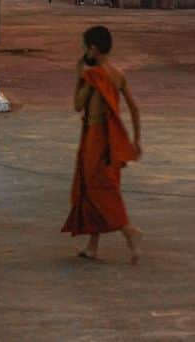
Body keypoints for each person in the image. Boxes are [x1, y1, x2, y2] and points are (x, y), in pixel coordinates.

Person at [61, 24, 142, 263]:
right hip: (111, 138)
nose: (83, 50)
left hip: (95, 136)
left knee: (96, 188)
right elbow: (134, 108)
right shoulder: (117, 74)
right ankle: (93, 246)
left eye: (84, 47)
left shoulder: (94, 75)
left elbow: (77, 105)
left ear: (93, 49)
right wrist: (136, 139)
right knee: (94, 186)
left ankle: (129, 231)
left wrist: (79, 76)